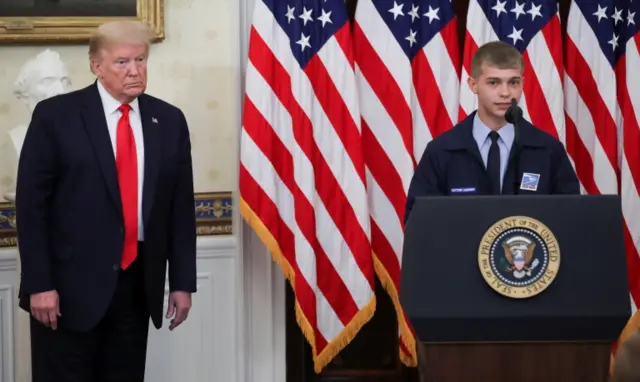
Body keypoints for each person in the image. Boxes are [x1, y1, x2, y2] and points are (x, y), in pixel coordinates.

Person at [15, 20, 197, 381]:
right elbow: (32, 207)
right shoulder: (56, 117)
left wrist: (181, 282)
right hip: (66, 290)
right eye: (122, 62)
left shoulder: (170, 120)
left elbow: (180, 209)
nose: (135, 71)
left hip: (135, 284)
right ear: (96, 66)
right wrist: (40, 284)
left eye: (141, 60)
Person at [404, 41, 579, 223]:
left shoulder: (548, 150)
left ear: (523, 84)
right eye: (493, 83)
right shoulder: (442, 150)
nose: (505, 93)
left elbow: (570, 219)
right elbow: (418, 222)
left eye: (513, 82)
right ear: (473, 85)